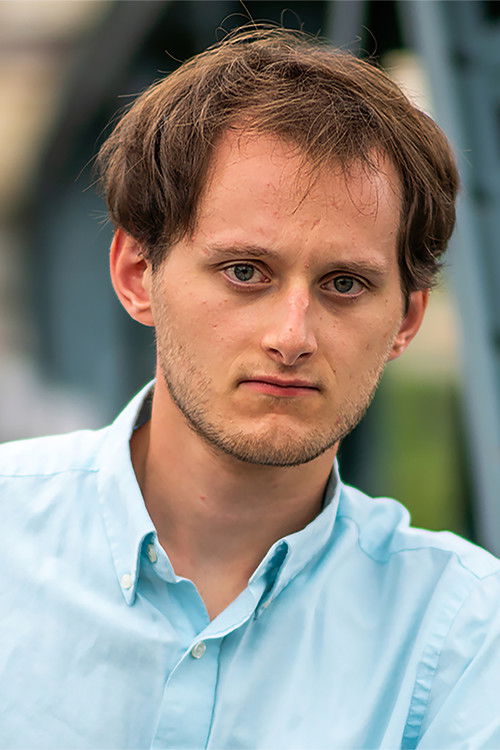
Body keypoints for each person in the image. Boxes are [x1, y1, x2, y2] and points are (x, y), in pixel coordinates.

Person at [1, 27, 499, 750]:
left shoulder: (465, 633)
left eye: (344, 284)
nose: (292, 336)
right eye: (245, 272)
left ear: (406, 320)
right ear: (137, 274)